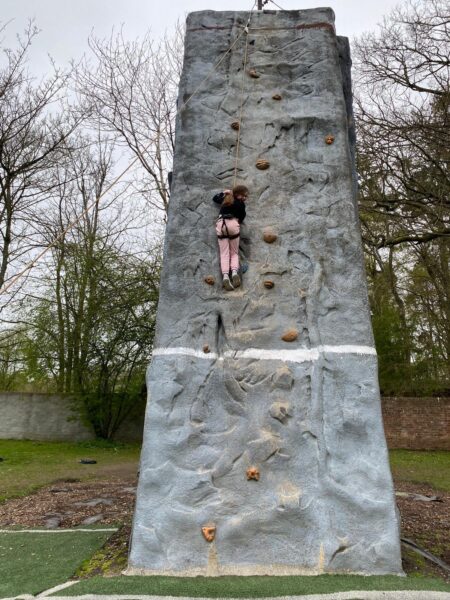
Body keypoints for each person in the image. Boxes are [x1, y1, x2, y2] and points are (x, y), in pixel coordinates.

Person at [212, 184, 248, 290]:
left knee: (224, 253)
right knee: (234, 253)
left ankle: (225, 276)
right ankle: (234, 273)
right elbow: (242, 217)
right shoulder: (241, 204)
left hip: (221, 224)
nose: (245, 198)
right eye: (243, 195)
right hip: (233, 224)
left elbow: (215, 198)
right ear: (238, 194)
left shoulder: (227, 198)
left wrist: (225, 192)